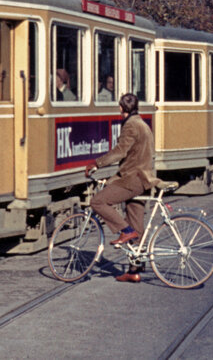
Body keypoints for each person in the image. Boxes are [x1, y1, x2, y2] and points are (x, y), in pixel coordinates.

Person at [85, 92, 155, 283]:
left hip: (132, 180)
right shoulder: (142, 123)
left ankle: (125, 232)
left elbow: (120, 151)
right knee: (136, 221)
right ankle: (134, 269)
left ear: (121, 108)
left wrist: (97, 163)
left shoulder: (131, 125)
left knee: (98, 201)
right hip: (144, 180)